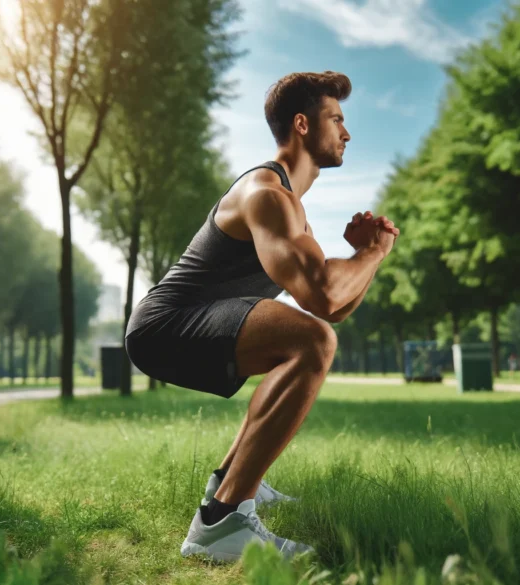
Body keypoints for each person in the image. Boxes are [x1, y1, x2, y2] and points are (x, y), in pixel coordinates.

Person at [124, 71, 400, 563]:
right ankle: (221, 523)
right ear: (301, 124)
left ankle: (228, 483)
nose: (347, 132)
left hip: (186, 320)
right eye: (336, 119)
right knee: (309, 341)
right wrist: (373, 256)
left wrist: (363, 256)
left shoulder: (292, 206)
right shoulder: (267, 194)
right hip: (163, 324)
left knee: (303, 342)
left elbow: (337, 302)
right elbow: (324, 302)